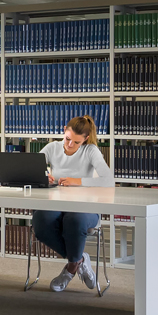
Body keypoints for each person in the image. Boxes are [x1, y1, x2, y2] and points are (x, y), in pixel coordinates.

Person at [32, 115, 115, 292]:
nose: (70, 145)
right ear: (64, 130)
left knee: (74, 221)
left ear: (85, 139)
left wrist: (78, 181)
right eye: (68, 139)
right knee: (40, 222)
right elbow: (30, 169)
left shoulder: (91, 151)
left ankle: (70, 269)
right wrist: (43, 177)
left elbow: (108, 180)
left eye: (76, 142)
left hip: (85, 207)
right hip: (56, 204)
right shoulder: (52, 148)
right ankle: (79, 260)